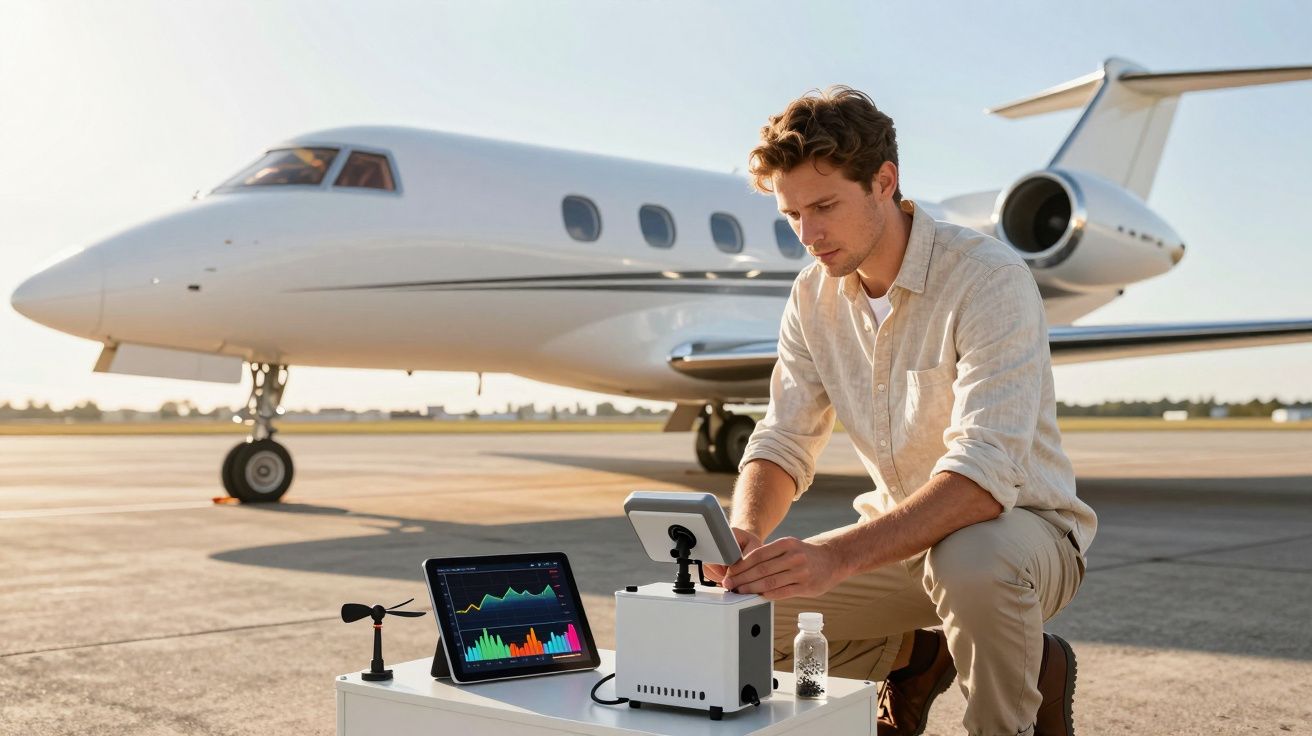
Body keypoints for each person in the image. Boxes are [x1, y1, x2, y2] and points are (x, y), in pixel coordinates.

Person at [703, 86, 1096, 736]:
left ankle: (1012, 716)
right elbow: (782, 440)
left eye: (824, 206)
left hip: (1021, 533)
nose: (808, 235)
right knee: (737, 615)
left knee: (971, 561)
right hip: (896, 542)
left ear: (885, 181)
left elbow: (982, 478)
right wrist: (745, 534)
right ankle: (917, 659)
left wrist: (837, 556)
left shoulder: (988, 278)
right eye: (792, 214)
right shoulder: (811, 296)